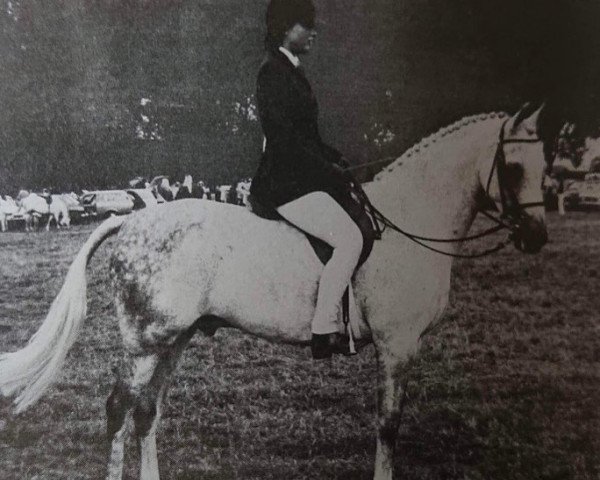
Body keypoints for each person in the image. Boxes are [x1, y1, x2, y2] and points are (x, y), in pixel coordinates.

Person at [250, 0, 363, 359]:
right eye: (306, 25)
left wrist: (334, 158)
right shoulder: (272, 72)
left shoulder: (290, 69)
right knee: (349, 239)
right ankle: (323, 328)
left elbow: (307, 138)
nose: (313, 31)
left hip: (301, 178)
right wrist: (326, 170)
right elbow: (284, 140)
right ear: (286, 28)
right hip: (284, 183)